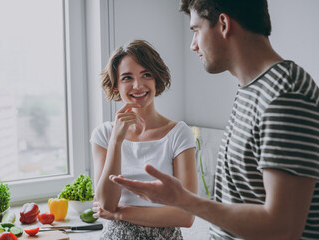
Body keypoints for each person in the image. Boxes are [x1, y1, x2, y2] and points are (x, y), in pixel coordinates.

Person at [110, 1, 319, 239]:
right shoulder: (252, 90)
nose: (193, 45)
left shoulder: (284, 95)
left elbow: (283, 227)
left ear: (223, 24)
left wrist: (184, 201)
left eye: (196, 30)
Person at [90, 39, 198, 239]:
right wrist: (116, 141)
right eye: (127, 78)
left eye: (146, 75)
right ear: (115, 86)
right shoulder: (104, 135)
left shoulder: (179, 134)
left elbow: (187, 214)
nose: (138, 85)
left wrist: (119, 213)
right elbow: (105, 204)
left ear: (156, 79)